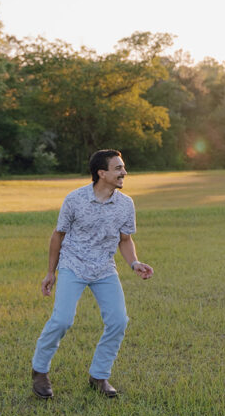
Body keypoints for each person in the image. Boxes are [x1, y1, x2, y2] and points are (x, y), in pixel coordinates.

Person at [31, 149, 153, 399]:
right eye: (118, 168)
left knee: (118, 321)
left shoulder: (126, 204)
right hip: (72, 265)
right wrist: (50, 272)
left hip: (104, 269)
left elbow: (125, 239)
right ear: (101, 173)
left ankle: (99, 376)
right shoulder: (75, 199)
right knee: (62, 319)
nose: (124, 172)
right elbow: (58, 235)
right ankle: (39, 371)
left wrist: (134, 263)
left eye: (123, 168)